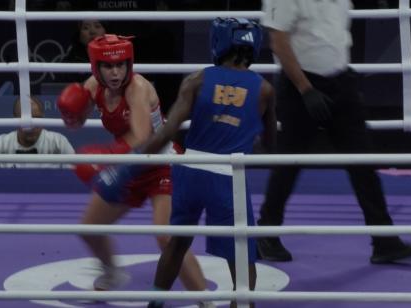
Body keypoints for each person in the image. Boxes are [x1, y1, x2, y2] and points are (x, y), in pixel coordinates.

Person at [93, 18, 276, 307]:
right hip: (228, 175)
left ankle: (155, 302)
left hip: (188, 171)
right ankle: (243, 304)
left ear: (219, 42)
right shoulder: (264, 89)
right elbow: (270, 145)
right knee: (239, 250)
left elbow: (166, 131)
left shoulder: (197, 80)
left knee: (177, 243)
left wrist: (129, 165)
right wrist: (243, 133)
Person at [256, 0, 411, 264]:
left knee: (363, 161)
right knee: (289, 162)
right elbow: (278, 41)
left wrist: (342, 74)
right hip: (301, 85)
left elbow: (333, 33)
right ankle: (266, 234)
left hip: (340, 82)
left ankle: (384, 240)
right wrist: (305, 89)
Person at [56, 34, 211, 301]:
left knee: (166, 237)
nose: (116, 73)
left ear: (129, 63)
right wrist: (73, 115)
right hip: (129, 166)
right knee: (90, 228)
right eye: (108, 66)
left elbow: (142, 139)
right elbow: (78, 121)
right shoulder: (93, 86)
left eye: (121, 65)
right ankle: (111, 273)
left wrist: (105, 156)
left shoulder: (137, 88)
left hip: (161, 164)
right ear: (96, 67)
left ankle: (204, 300)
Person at [0, 96, 75, 169]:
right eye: (25, 120)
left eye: (36, 119)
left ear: (43, 119)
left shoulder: (59, 142)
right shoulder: (2, 144)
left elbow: (75, 178)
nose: (31, 127)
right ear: (15, 120)